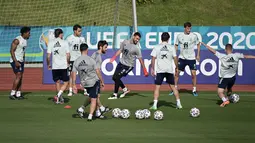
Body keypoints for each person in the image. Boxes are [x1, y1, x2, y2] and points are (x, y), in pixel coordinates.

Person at [201, 42, 255, 107]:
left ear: (225, 50)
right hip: (233, 78)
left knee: (220, 92)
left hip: (224, 78)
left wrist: (205, 45)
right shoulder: (236, 55)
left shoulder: (222, 56)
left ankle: (225, 100)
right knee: (229, 89)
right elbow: (246, 56)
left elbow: (213, 51)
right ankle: (229, 97)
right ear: (232, 50)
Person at [109, 32, 149, 99]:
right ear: (133, 36)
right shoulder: (125, 42)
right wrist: (114, 57)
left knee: (117, 77)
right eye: (136, 38)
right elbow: (120, 50)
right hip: (121, 63)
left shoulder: (137, 48)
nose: (137, 40)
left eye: (138, 39)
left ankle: (117, 93)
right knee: (114, 77)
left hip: (128, 65)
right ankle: (120, 92)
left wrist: (144, 70)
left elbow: (140, 59)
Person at [150, 32, 182, 110]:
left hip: (160, 70)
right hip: (169, 70)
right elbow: (175, 58)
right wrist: (177, 67)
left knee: (157, 88)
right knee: (173, 87)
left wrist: (152, 68)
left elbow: (153, 58)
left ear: (161, 38)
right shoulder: (171, 47)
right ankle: (179, 103)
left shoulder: (157, 47)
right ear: (168, 39)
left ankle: (154, 105)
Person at [72, 43, 105, 121]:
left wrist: (73, 84)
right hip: (93, 81)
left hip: (84, 84)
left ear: (80, 50)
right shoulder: (91, 60)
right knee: (94, 98)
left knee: (92, 96)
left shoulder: (76, 61)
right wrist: (102, 81)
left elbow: (73, 73)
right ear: (87, 50)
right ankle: (90, 115)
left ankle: (82, 109)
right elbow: (97, 71)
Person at [169, 22, 200, 96]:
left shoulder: (194, 36)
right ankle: (175, 89)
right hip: (182, 58)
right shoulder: (179, 36)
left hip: (191, 58)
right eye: (188, 28)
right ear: (185, 28)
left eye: (190, 28)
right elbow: (176, 45)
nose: (189, 30)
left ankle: (194, 90)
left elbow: (198, 44)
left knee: (193, 74)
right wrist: (174, 54)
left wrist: (198, 55)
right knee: (176, 73)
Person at [47, 28, 70, 104]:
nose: (63, 35)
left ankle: (59, 99)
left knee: (57, 82)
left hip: (55, 66)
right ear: (60, 34)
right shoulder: (65, 42)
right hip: (63, 66)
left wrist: (48, 64)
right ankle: (58, 95)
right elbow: (68, 55)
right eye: (62, 34)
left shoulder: (50, 43)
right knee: (66, 82)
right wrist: (68, 62)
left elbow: (48, 56)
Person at [9, 27, 31, 100]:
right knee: (18, 75)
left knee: (20, 77)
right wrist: (15, 61)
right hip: (15, 60)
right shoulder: (17, 40)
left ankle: (18, 94)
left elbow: (22, 51)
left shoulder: (25, 41)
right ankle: (12, 93)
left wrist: (23, 60)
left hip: (20, 60)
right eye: (28, 33)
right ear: (24, 33)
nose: (29, 34)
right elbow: (12, 51)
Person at [91, 40, 111, 117]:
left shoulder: (94, 54)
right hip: (94, 78)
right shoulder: (98, 56)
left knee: (96, 96)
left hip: (91, 77)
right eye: (105, 47)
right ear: (100, 47)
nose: (106, 49)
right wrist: (102, 81)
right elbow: (97, 70)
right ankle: (101, 108)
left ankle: (97, 112)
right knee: (95, 96)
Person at [66, 24, 86, 96]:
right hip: (72, 59)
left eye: (80, 31)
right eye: (79, 31)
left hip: (80, 59)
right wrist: (67, 60)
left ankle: (85, 90)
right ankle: (70, 91)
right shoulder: (69, 38)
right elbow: (66, 50)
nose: (80, 32)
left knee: (83, 75)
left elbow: (84, 49)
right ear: (75, 31)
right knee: (71, 75)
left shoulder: (82, 39)